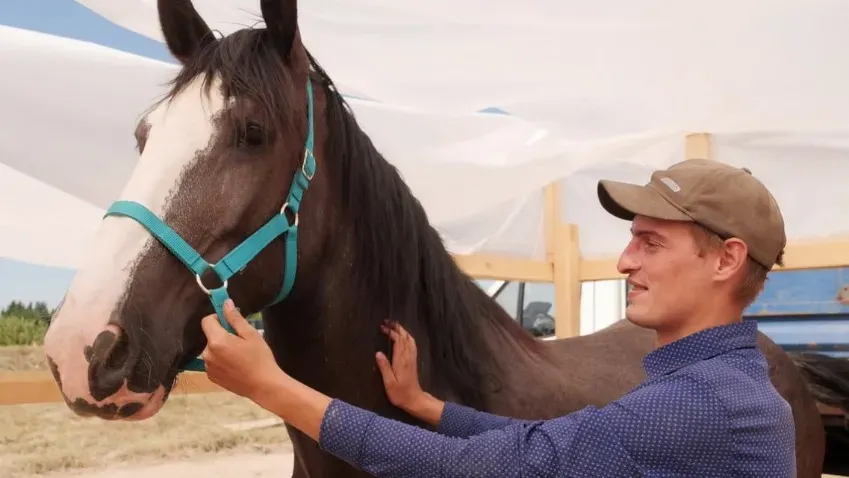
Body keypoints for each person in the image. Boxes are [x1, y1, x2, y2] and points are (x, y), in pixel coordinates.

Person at [199, 158, 796, 477]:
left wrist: (271, 386)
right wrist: (425, 406)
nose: (623, 260)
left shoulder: (699, 405)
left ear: (726, 260)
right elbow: (545, 444)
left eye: (651, 243)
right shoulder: (710, 386)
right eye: (630, 240)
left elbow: (485, 467)